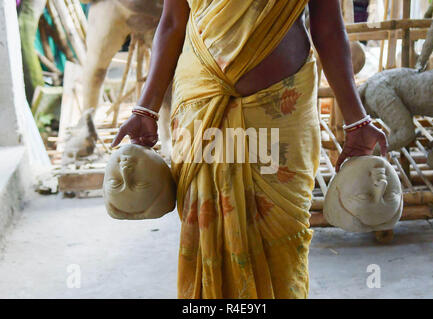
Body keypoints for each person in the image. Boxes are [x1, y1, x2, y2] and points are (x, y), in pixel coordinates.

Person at [111, 0, 388, 299]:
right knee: (207, 231)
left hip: (283, 109)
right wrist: (145, 110)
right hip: (202, 104)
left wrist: (357, 120)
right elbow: (172, 22)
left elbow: (329, 26)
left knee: (283, 235)